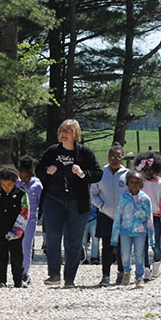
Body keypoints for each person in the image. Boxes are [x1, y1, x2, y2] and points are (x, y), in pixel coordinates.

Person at [36, 119, 103, 288]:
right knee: (52, 238)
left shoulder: (84, 153)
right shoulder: (52, 152)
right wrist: (46, 171)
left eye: (68, 130)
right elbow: (38, 169)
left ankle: (69, 279)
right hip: (53, 200)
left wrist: (82, 173)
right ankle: (54, 275)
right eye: (61, 130)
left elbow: (98, 173)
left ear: (76, 134)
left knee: (73, 242)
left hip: (77, 202)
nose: (63, 133)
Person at [90, 142, 128, 286]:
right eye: (112, 156)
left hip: (123, 217)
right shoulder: (101, 173)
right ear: (108, 157)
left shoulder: (127, 174)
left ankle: (121, 273)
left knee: (121, 246)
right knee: (106, 246)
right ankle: (105, 276)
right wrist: (102, 206)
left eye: (118, 157)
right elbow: (93, 194)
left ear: (122, 158)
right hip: (105, 215)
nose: (115, 159)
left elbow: (133, 193)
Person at [111, 170, 155, 288]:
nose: (134, 184)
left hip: (140, 232)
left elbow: (149, 218)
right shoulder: (123, 198)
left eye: (137, 182)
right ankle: (126, 271)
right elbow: (118, 217)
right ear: (127, 183)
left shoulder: (145, 199)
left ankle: (139, 277)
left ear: (142, 183)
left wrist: (152, 237)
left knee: (139, 254)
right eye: (132, 182)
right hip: (125, 231)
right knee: (125, 255)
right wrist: (114, 237)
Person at [0, 165, 30, 288]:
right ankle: (1, 280)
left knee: (17, 255)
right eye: (3, 185)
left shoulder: (21, 194)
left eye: (9, 185)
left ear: (15, 182)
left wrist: (17, 230)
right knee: (1, 255)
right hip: (1, 228)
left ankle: (18, 280)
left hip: (16, 230)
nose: (6, 188)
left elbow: (25, 211)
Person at [134, 151, 161, 280]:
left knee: (156, 245)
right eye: (145, 169)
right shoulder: (139, 184)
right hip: (142, 218)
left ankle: (157, 264)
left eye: (150, 169)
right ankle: (146, 269)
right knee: (143, 245)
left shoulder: (160, 185)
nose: (148, 172)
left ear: (156, 169)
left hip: (157, 218)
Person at [16, 155, 43, 286]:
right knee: (16, 246)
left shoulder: (37, 185)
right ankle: (17, 271)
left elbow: (41, 201)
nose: (24, 180)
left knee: (27, 246)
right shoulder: (16, 184)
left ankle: (25, 272)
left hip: (31, 219)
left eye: (26, 177)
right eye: (21, 177)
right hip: (17, 219)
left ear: (31, 174)